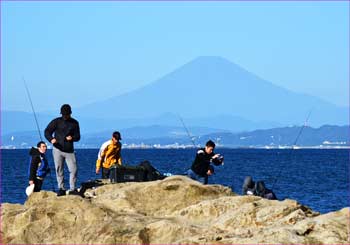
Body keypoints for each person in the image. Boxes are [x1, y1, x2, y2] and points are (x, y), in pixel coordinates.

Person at [44, 104, 80, 196]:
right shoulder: (56, 122)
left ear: (70, 113)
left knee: (73, 169)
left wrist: (72, 138)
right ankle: (61, 188)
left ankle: (72, 189)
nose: (65, 116)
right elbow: (47, 131)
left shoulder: (75, 123)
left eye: (67, 114)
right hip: (57, 149)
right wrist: (51, 139)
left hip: (69, 150)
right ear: (61, 114)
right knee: (59, 169)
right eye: (64, 114)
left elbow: (78, 137)